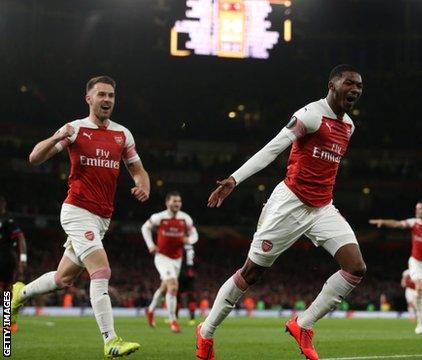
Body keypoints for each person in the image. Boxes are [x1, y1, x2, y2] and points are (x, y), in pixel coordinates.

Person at [196, 64, 365, 360]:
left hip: (322, 207)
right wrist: (234, 180)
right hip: (289, 204)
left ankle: (303, 324)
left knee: (355, 268)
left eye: (359, 86)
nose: (355, 90)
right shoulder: (310, 115)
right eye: (349, 83)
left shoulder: (348, 126)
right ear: (332, 85)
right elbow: (273, 148)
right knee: (251, 273)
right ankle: (206, 331)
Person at [11, 75, 150, 358]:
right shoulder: (75, 129)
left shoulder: (122, 134)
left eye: (111, 95)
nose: (107, 100)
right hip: (77, 211)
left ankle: (19, 294)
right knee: (101, 270)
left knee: (63, 279)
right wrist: (56, 136)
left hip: (102, 218)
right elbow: (34, 158)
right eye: (101, 95)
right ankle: (111, 340)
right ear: (89, 98)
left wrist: (143, 184)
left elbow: (138, 169)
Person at [369, 200, 422, 334]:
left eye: (420, 208)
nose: (417, 211)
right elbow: (398, 224)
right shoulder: (414, 222)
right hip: (416, 261)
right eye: (417, 208)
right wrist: (383, 221)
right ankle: (420, 321)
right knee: (420, 287)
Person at [141, 191, 198, 333]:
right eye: (174, 201)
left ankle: (150, 310)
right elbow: (145, 228)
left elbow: (194, 234)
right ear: (167, 202)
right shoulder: (159, 217)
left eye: (179, 201)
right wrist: (150, 245)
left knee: (165, 288)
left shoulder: (185, 219)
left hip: (177, 259)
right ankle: (173, 321)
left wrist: (189, 240)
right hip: (162, 257)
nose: (177, 204)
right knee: (173, 286)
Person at [0, 196, 27, 292]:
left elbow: (20, 237)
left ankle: (7, 307)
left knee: (7, 286)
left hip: (6, 258)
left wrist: (23, 258)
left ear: (3, 205)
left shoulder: (8, 220)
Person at [178, 243, 198, 325]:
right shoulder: (191, 247)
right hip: (190, 274)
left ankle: (175, 318)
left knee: (177, 295)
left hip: (181, 273)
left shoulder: (181, 246)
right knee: (191, 296)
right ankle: (192, 318)